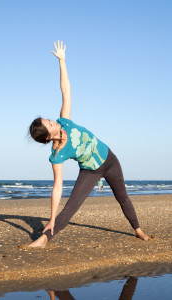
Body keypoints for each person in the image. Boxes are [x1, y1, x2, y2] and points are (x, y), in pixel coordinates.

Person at [28, 40, 150, 248]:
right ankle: (44, 239)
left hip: (109, 160)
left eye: (48, 119)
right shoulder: (57, 155)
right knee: (70, 208)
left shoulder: (64, 120)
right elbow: (57, 188)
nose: (52, 120)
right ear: (48, 136)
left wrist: (62, 61)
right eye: (49, 123)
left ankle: (138, 230)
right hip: (90, 171)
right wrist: (51, 216)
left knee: (123, 198)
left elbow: (65, 90)